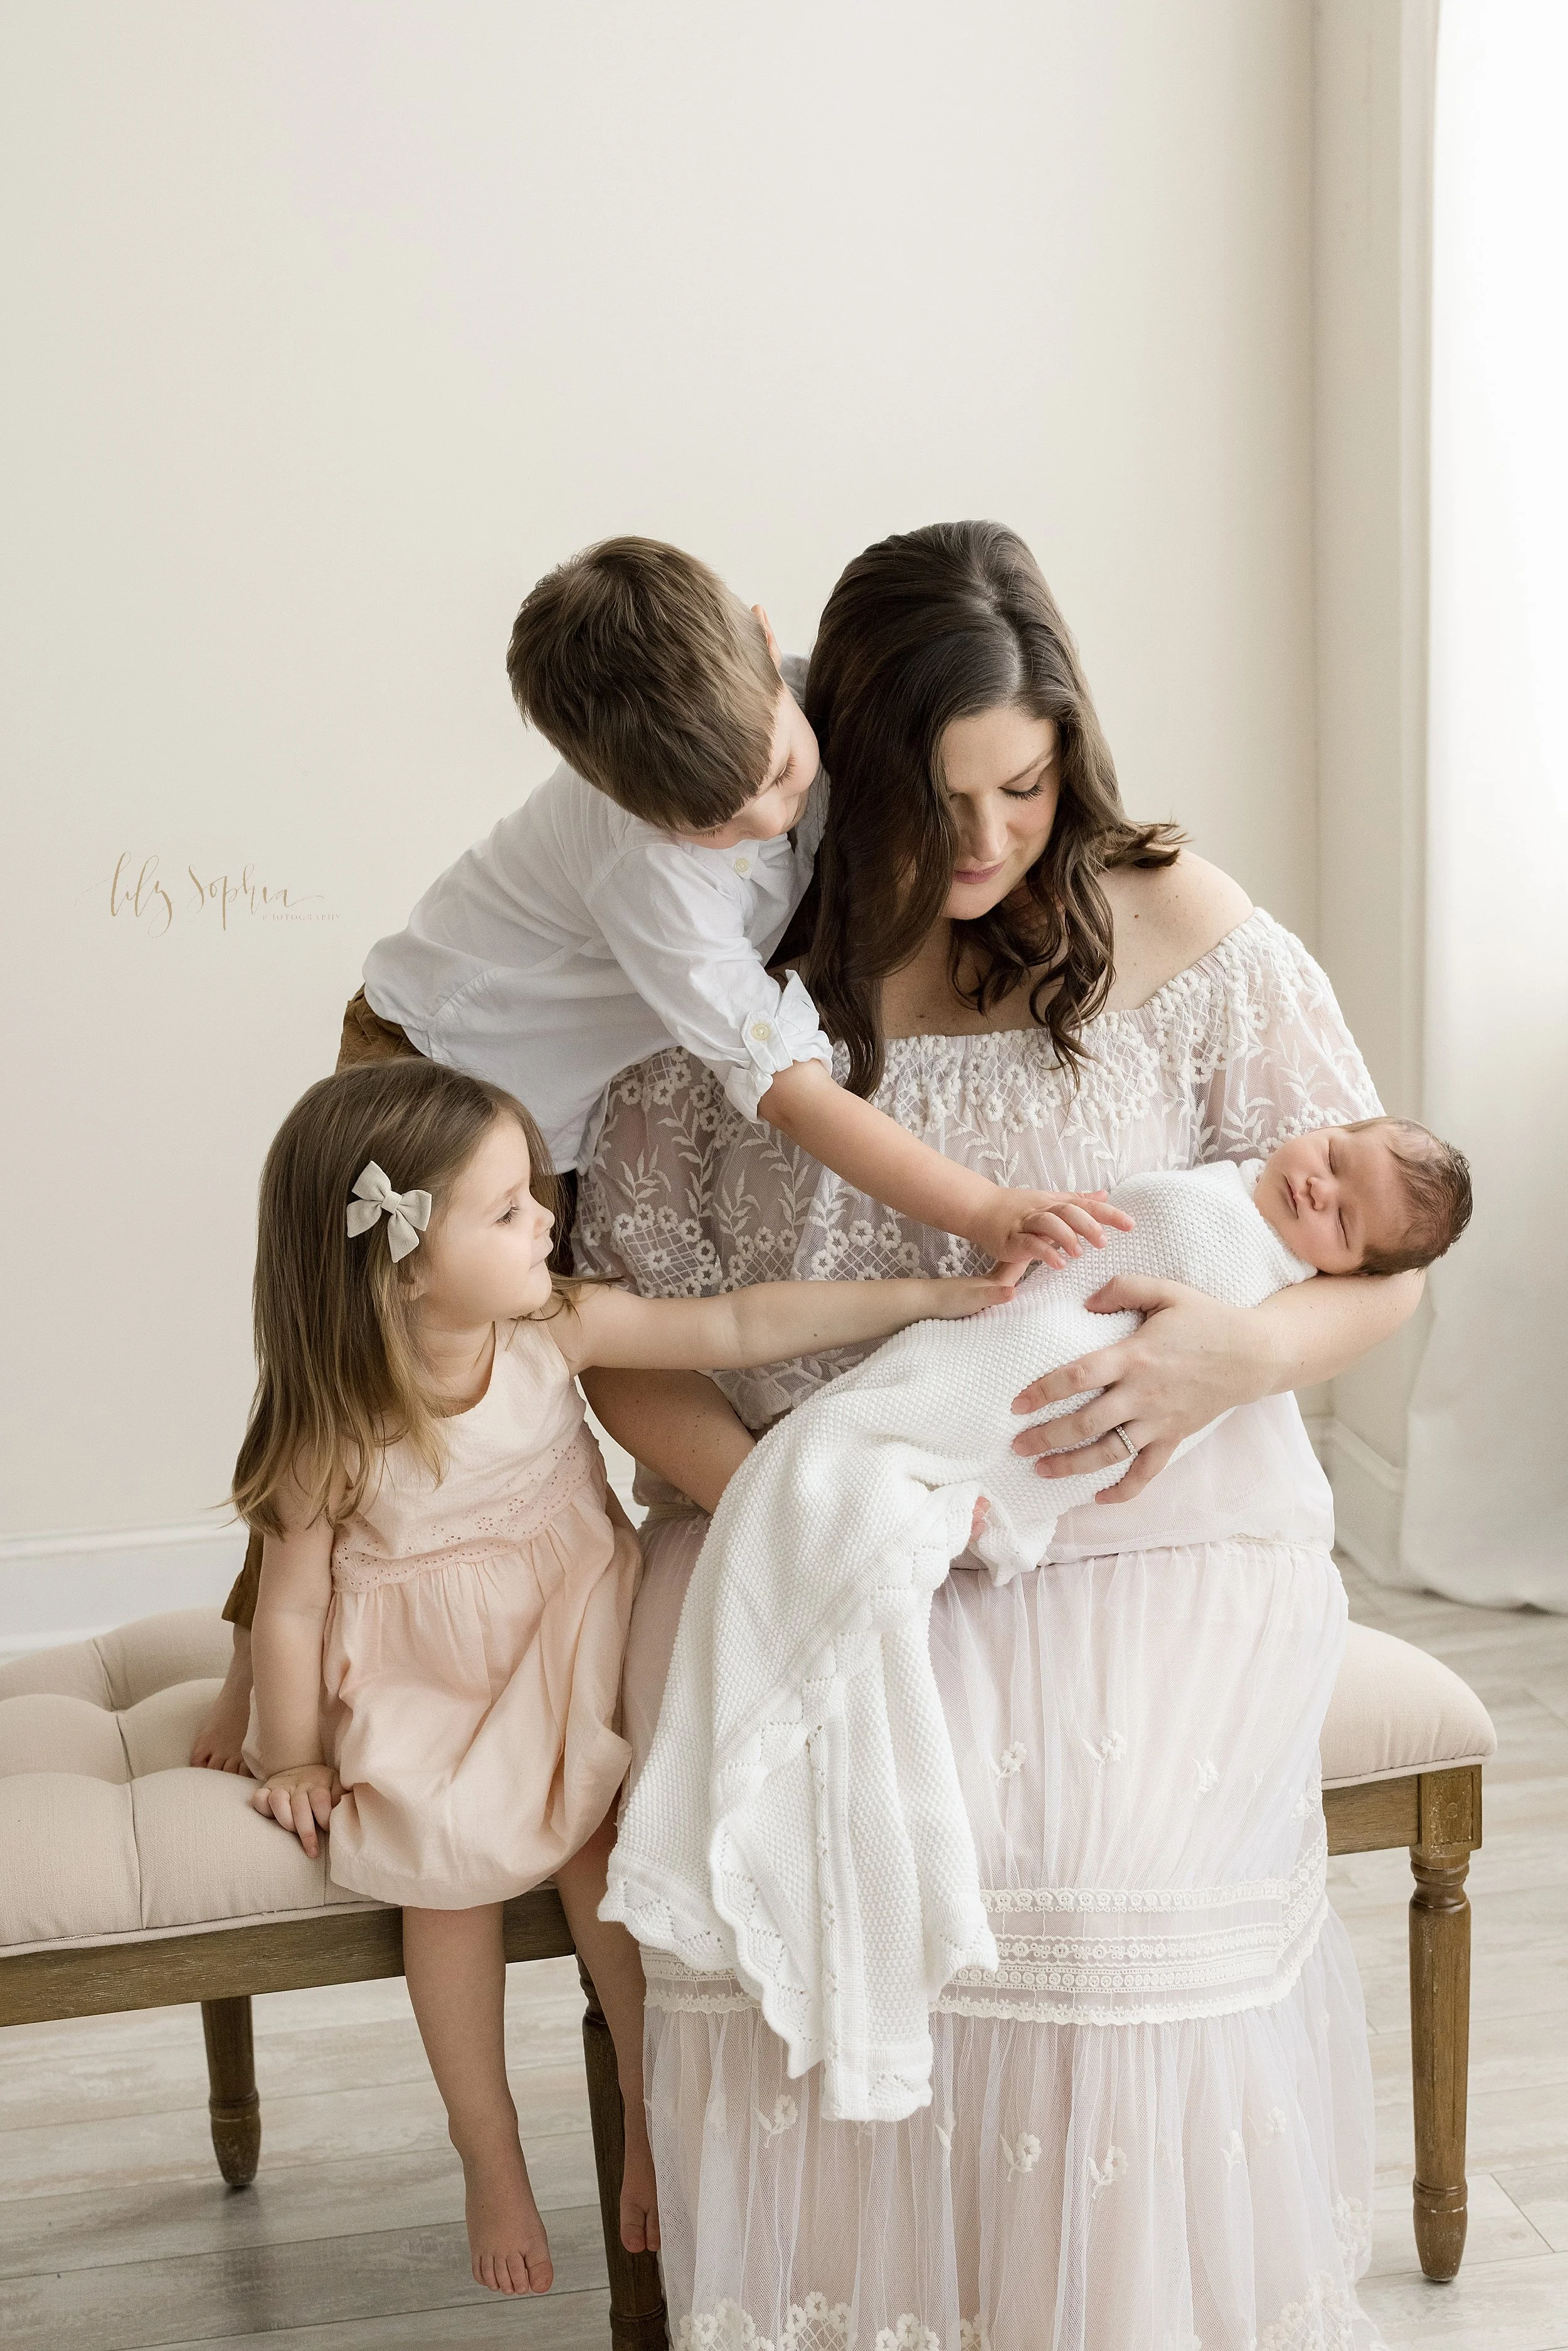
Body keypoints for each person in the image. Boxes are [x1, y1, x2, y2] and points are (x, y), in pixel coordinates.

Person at [575, 520, 1424, 2350]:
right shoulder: (722, 982)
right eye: (933, 801)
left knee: (1086, 1873)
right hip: (799, 1518)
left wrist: (1232, 1362)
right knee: (813, 1871)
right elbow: (622, 1349)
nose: (980, 845)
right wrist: (814, 1507)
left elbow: (1384, 1263)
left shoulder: (1177, 915)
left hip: (1147, 1507)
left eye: (1020, 790)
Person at [190, 535, 1131, 1771]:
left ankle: (708, 1570)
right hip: (425, 1077)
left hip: (555, 1109)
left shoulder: (799, 702)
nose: (769, 815)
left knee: (571, 1348)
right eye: (718, 819)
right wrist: (985, 1202)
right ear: (615, 789)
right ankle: (250, 1675)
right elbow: (788, 1094)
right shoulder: (650, 874)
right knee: (354, 1389)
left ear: (760, 638)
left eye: (780, 772)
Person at [234, 1054, 1025, 2301]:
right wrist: (289, 1749)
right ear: (407, 1259)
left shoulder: (554, 1325)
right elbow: (284, 1608)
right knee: (445, 1878)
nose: (549, 1218)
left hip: (569, 1624)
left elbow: (737, 1323)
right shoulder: (331, 1424)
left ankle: (655, 2116)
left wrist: (923, 1295)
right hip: (428, 1681)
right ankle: (484, 2145)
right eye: (509, 1210)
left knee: (612, 1841)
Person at [605, 1119, 1472, 2130]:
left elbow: (1306, 1297)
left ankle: (1053, 2108)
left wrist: (1244, 1351)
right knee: (843, 1465)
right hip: (934, 1373)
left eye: (1345, 1214)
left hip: (1118, 1504)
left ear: (1351, 1261)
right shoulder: (1232, 1181)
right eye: (1332, 1157)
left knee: (1094, 1852)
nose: (1316, 1187)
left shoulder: (1260, 1258)